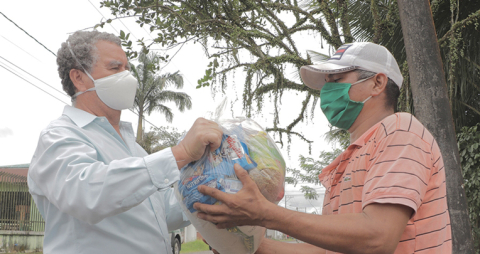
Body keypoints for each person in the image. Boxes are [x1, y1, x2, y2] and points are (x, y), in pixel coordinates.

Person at [193, 42, 452, 254]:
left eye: (336, 79)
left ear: (377, 83)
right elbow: (330, 250)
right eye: (326, 83)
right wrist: (243, 246)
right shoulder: (348, 158)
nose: (327, 91)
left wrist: (264, 214)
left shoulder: (400, 130)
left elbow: (378, 237)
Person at [27, 30, 223, 254]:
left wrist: (212, 185)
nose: (127, 76)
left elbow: (162, 214)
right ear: (79, 78)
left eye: (127, 68)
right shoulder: (59, 136)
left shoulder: (135, 150)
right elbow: (86, 194)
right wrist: (181, 153)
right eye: (115, 68)